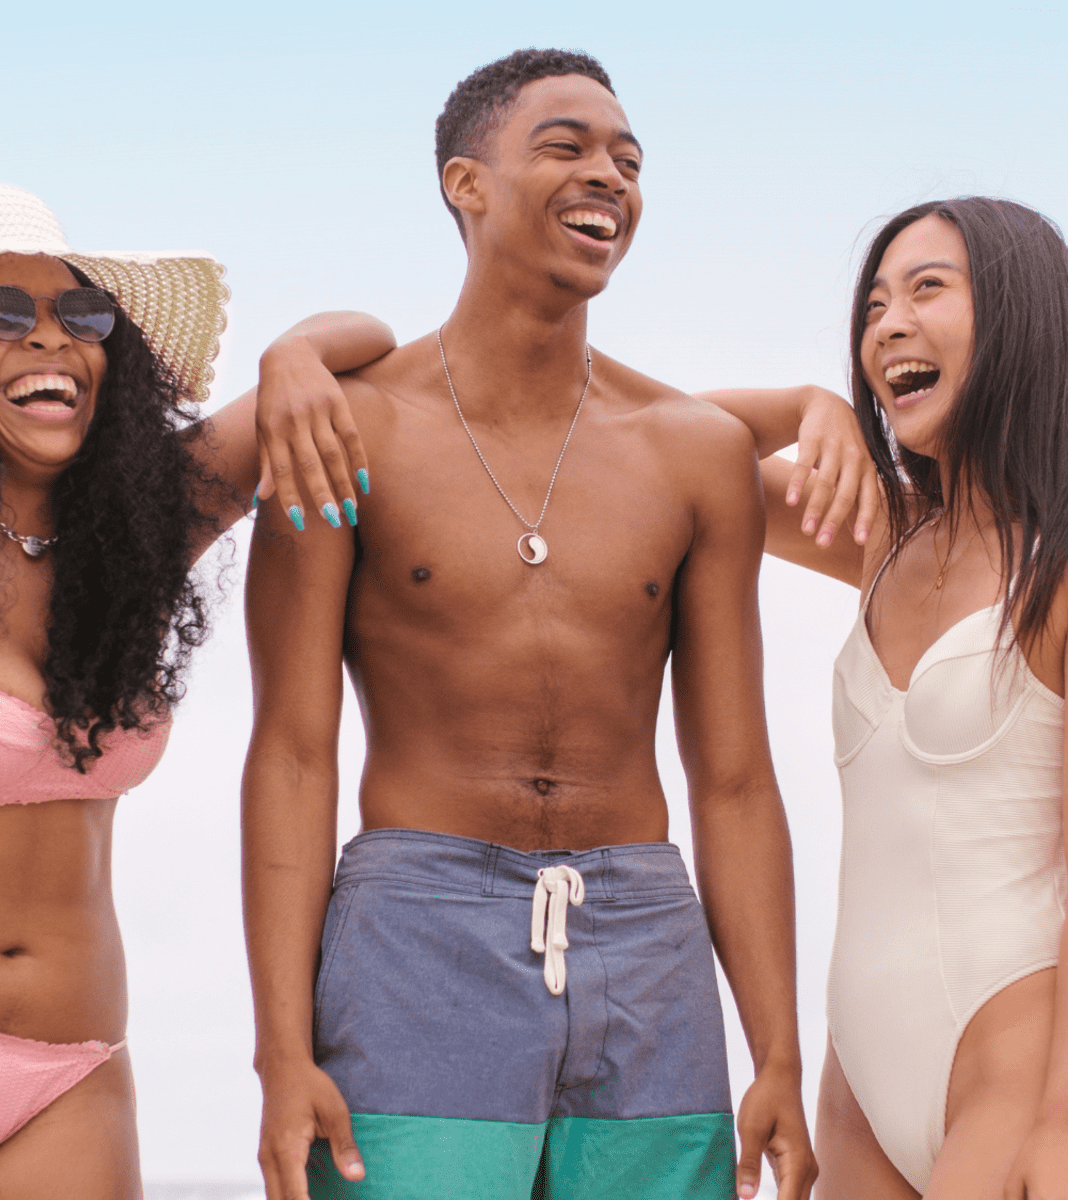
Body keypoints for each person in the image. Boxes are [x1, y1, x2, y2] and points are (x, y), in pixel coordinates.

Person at [242, 48, 821, 1200]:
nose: (608, 175)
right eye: (566, 146)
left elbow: (738, 778)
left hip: (650, 944)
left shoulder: (695, 452)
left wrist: (778, 1053)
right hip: (417, 932)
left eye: (629, 160)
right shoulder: (348, 428)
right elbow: (295, 752)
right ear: (466, 183)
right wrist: (279, 1053)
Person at [0, 183, 391, 1198]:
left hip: (75, 1066)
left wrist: (290, 355)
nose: (52, 341)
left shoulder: (138, 532)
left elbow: (368, 339)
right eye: (6, 315)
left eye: (84, 315)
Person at [709, 197, 1068, 1199]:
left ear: (1022, 317)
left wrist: (1059, 1123)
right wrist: (800, 408)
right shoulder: (879, 534)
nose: (887, 326)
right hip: (859, 1071)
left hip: (1015, 1062)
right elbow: (666, 447)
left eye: (927, 289)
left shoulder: (1060, 567)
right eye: (873, 305)